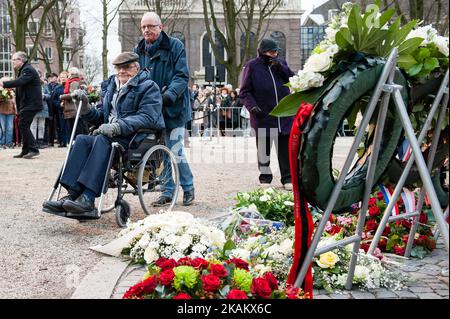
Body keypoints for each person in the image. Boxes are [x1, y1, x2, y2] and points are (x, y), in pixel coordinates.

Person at [42, 52, 165, 219]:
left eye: (127, 67)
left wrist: (117, 126)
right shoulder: (112, 87)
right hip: (110, 134)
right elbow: (101, 116)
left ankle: (88, 198)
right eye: (119, 68)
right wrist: (85, 108)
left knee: (101, 140)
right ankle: (73, 195)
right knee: (82, 140)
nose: (122, 71)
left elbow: (148, 117)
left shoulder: (149, 87)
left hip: (134, 137)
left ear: (136, 68)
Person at [135, 11, 195, 206]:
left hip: (174, 107)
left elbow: (182, 76)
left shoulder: (175, 46)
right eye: (144, 26)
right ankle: (168, 191)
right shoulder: (140, 49)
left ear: (160, 27)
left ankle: (188, 187)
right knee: (161, 151)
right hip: (152, 107)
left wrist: (168, 95)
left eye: (151, 26)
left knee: (174, 149)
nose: (146, 30)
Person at [239, 38, 295, 190]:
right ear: (262, 52)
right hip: (263, 116)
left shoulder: (281, 63)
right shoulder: (252, 66)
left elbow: (293, 79)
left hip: (284, 115)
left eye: (276, 51)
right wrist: (252, 107)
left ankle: (287, 177)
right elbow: (244, 92)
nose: (274, 54)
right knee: (264, 149)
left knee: (285, 149)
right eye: (271, 52)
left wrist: (281, 68)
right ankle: (265, 177)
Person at [0, 51, 43, 159]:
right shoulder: (24, 69)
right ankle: (26, 150)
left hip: (31, 103)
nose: (12, 62)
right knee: (24, 125)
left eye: (14, 60)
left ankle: (33, 149)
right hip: (28, 104)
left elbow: (20, 82)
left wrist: (3, 84)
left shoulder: (28, 69)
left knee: (23, 125)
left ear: (21, 60)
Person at [0, 78, 16, 149]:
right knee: (2, 128)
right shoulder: (1, 90)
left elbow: (14, 102)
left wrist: (16, 110)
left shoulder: (12, 91)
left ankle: (9, 143)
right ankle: (1, 143)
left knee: (10, 128)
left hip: (10, 111)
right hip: (1, 111)